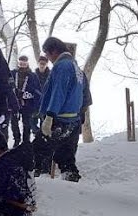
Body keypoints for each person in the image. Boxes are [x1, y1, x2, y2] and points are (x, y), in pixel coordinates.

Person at [34, 37, 86, 181]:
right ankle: (71, 183)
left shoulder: (62, 66)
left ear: (54, 51)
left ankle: (40, 184)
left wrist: (50, 115)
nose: (49, 59)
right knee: (66, 158)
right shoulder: (76, 67)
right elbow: (83, 94)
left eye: (48, 54)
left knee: (39, 152)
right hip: (73, 119)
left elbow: (59, 91)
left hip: (58, 118)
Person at [10, 56, 42, 147]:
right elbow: (8, 86)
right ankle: (16, 139)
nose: (22, 66)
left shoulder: (32, 76)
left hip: (27, 104)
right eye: (21, 64)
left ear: (27, 64)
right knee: (14, 122)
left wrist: (28, 95)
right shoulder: (12, 74)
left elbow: (37, 91)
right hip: (14, 102)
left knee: (27, 123)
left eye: (24, 64)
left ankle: (26, 142)